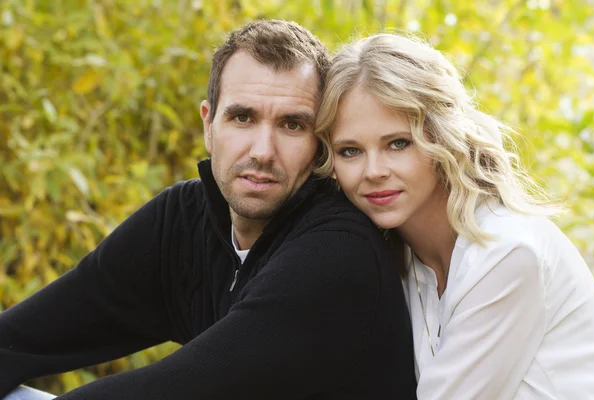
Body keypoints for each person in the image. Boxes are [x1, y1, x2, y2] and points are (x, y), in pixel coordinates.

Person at [0, 21, 417, 399]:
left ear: (320, 142)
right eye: (242, 117)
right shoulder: (183, 219)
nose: (262, 151)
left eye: (292, 125)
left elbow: (176, 391)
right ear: (208, 124)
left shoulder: (338, 252)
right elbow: (21, 337)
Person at [314, 33, 594, 399]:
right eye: (350, 150)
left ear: (443, 139)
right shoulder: (399, 258)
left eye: (398, 143)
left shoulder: (507, 252)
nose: (373, 171)